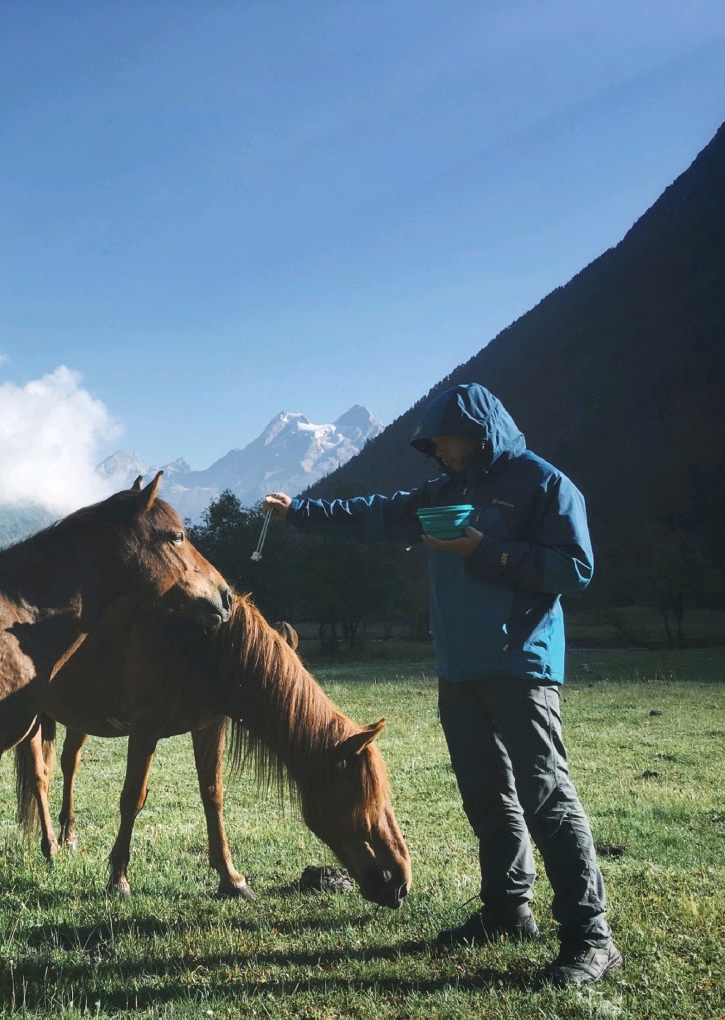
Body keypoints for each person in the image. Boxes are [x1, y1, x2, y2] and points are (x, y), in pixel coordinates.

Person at [263, 382, 621, 986]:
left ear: (481, 436)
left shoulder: (543, 484)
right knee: (486, 795)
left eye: (449, 446)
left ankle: (591, 936)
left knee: (546, 797)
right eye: (436, 449)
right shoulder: (446, 491)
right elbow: (377, 512)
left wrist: (490, 551)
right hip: (458, 670)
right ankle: (508, 909)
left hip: (521, 665)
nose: (442, 457)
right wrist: (302, 512)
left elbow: (575, 569)